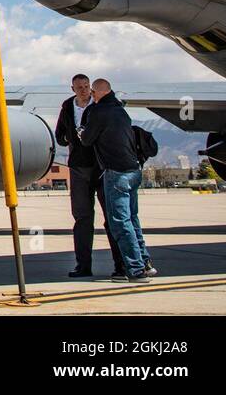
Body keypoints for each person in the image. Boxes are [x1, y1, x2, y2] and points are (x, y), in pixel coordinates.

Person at [78, 79, 153, 281]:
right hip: (133, 170)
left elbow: (86, 140)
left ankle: (135, 270)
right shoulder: (121, 111)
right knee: (133, 219)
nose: (91, 95)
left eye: (92, 92)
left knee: (119, 222)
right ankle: (144, 262)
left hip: (116, 173)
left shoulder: (98, 111)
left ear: (97, 92)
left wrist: (80, 131)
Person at [55, 73, 124, 278]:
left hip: (103, 167)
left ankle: (120, 265)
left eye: (87, 86)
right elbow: (60, 136)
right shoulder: (67, 107)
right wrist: (72, 137)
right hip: (79, 168)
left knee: (112, 218)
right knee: (82, 219)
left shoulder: (102, 106)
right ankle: (83, 265)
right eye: (80, 87)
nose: (84, 90)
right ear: (73, 89)